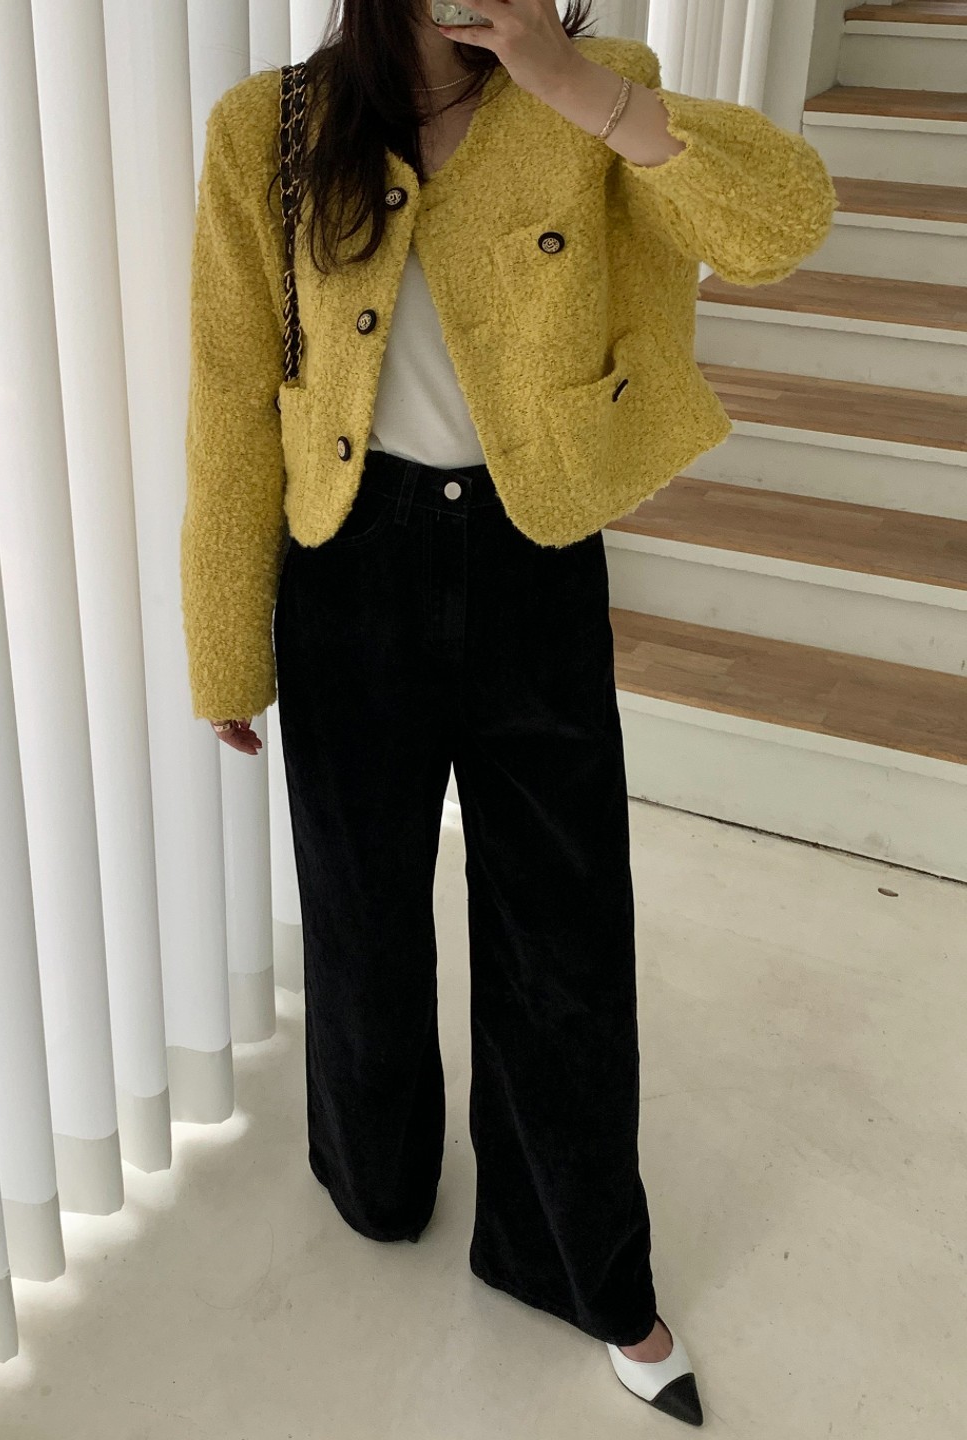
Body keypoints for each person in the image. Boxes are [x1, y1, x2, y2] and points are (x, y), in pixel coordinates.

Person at [181, 0, 837, 1426]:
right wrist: (225, 645)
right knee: (360, 908)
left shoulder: (599, 94)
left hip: (531, 558)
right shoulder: (269, 130)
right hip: (347, 565)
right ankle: (374, 1177)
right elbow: (232, 393)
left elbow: (783, 222)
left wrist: (565, 78)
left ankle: (584, 1266)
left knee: (564, 929)